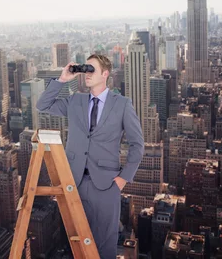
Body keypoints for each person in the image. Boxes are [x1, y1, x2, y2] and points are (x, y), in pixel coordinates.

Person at [36, 54, 144, 259]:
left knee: (104, 245)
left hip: (106, 184)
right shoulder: (75, 101)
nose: (87, 74)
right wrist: (62, 80)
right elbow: (42, 105)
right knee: (77, 244)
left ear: (105, 74)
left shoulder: (122, 104)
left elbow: (137, 145)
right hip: (73, 182)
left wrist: (122, 179)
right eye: (85, 69)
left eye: (91, 70)